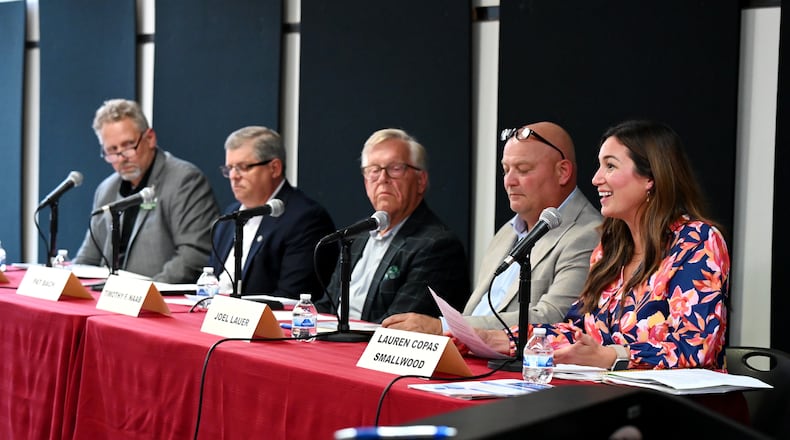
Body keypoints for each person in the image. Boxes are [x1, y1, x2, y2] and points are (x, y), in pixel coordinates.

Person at [465, 120, 730, 371]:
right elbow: (577, 328)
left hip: (679, 408)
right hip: (610, 395)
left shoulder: (698, 241)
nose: (595, 179)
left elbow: (697, 347)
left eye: (610, 166)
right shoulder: (611, 247)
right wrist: (504, 339)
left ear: (650, 177)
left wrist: (611, 356)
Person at [382, 121, 601, 333]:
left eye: (523, 170)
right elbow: (478, 311)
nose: (509, 181)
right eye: (506, 170)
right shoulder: (507, 231)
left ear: (563, 172)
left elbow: (554, 319)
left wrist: (445, 327)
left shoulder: (589, 234)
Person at [315, 128, 471, 323]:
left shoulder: (437, 245)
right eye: (374, 170)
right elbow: (328, 306)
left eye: (395, 168)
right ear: (365, 181)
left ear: (421, 181)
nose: (382, 178)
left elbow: (395, 326)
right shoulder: (356, 235)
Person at [73, 99, 220, 283]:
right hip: (111, 299)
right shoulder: (106, 189)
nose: (122, 158)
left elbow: (194, 255)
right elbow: (89, 257)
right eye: (112, 150)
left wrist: (145, 295)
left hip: (159, 303)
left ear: (150, 138)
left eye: (128, 146)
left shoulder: (184, 180)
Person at [208, 126, 338, 300]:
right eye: (230, 168)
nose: (233, 176)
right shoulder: (231, 215)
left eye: (243, 167)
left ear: (274, 168)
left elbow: (291, 297)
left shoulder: (305, 219)